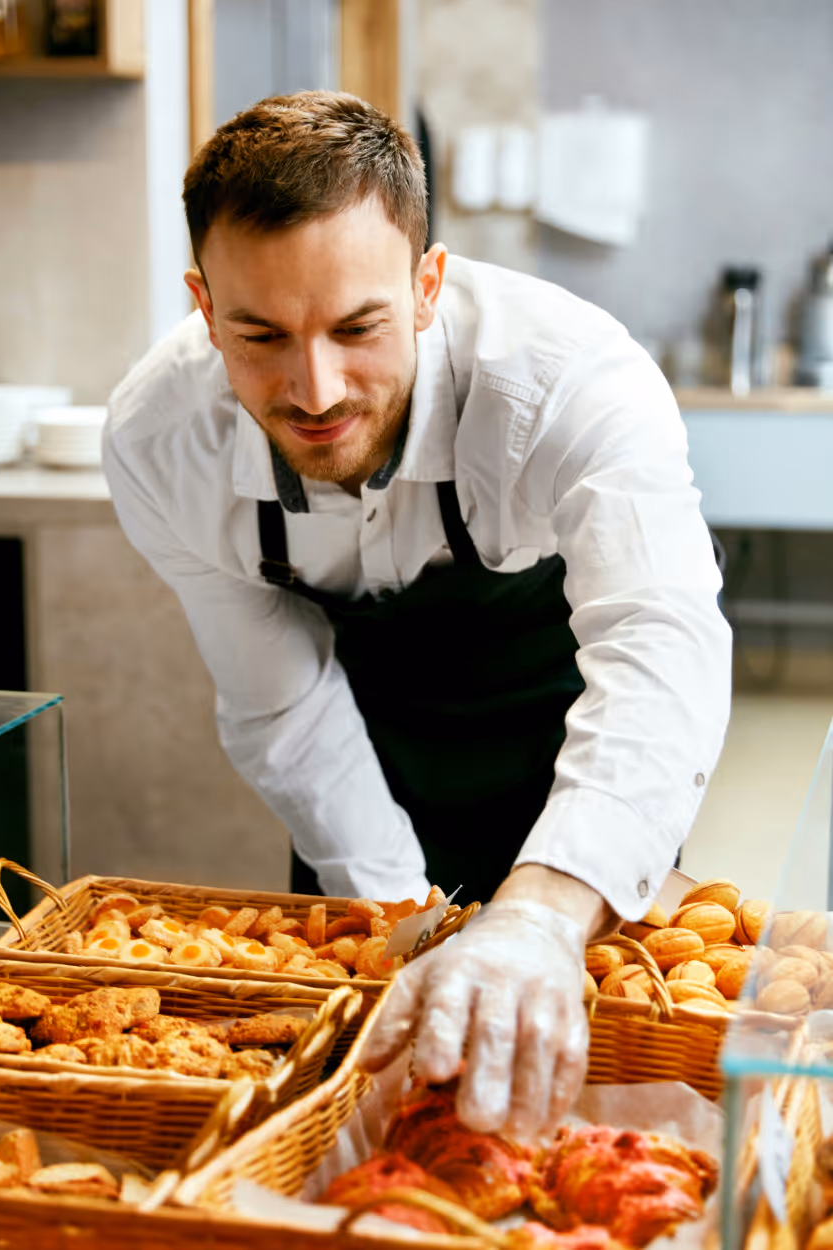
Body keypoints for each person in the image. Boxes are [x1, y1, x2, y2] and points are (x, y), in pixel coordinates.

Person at [103, 91, 731, 1136]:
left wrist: (539, 911)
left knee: (590, 1090)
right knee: (374, 1103)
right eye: (259, 334)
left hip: (565, 728)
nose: (314, 387)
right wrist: (405, 920)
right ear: (203, 307)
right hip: (363, 742)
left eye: (359, 328)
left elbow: (655, 641)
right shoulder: (159, 439)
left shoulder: (571, 378)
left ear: (427, 285)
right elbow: (283, 704)